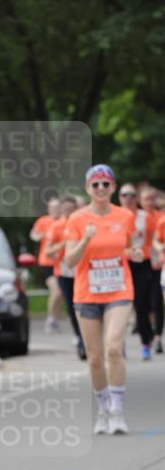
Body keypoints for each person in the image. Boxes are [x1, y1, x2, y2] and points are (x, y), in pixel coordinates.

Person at [64, 164, 143, 436]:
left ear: (113, 187)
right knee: (95, 358)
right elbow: (69, 260)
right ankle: (103, 409)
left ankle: (118, 411)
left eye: (105, 184)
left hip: (119, 290)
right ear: (87, 188)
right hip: (87, 293)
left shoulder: (125, 216)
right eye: (95, 184)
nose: (100, 188)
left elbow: (130, 246)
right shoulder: (76, 219)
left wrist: (134, 253)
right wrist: (85, 239)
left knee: (113, 348)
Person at [118, 184, 157, 360]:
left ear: (137, 198)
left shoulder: (145, 217)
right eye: (124, 195)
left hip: (142, 263)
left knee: (141, 304)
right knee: (121, 306)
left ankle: (145, 343)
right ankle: (119, 344)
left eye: (132, 195)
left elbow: (155, 238)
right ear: (119, 197)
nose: (128, 198)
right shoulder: (114, 216)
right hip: (120, 264)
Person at [44, 195, 85, 360]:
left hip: (82, 270)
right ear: (61, 210)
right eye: (65, 210)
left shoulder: (83, 224)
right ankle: (80, 337)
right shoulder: (56, 226)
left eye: (71, 209)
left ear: (77, 209)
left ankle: (86, 338)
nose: (68, 213)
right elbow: (47, 251)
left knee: (84, 305)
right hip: (64, 272)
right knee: (72, 306)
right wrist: (66, 243)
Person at [30, 199, 62, 332]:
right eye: (52, 207)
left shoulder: (64, 221)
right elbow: (33, 234)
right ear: (48, 209)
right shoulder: (43, 221)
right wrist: (38, 236)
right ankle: (50, 318)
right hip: (46, 262)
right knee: (56, 290)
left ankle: (54, 318)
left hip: (61, 262)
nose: (54, 210)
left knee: (60, 293)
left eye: (57, 207)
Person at [139, 185, 164, 355]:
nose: (149, 202)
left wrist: (159, 251)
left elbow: (157, 240)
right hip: (140, 262)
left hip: (156, 262)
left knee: (157, 301)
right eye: (146, 198)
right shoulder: (136, 217)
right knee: (143, 302)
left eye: (152, 198)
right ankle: (145, 335)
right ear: (140, 201)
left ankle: (158, 337)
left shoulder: (160, 217)